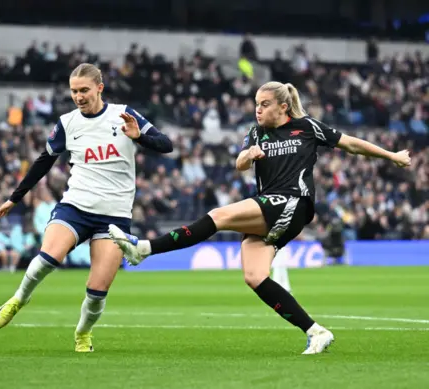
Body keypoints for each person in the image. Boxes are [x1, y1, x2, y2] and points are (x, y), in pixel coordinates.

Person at [108, 81, 411, 355]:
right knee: (254, 276)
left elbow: (352, 144)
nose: (258, 109)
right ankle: (316, 331)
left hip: (294, 202)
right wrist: (249, 155)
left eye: (264, 104)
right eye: (255, 104)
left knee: (219, 215)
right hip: (270, 206)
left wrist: (392, 156)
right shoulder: (256, 133)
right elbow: (239, 164)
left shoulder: (306, 127)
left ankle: (144, 249)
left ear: (283, 106)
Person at [0, 63, 173, 352]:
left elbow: (166, 145)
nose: (78, 96)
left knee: (97, 291)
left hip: (114, 217)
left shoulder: (123, 115)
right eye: (74, 91)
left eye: (84, 90)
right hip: (76, 205)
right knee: (49, 257)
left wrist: (139, 137)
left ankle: (83, 333)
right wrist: (15, 197)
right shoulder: (67, 123)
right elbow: (44, 161)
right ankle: (19, 298)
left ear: (100, 88)